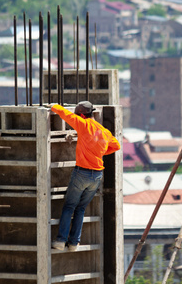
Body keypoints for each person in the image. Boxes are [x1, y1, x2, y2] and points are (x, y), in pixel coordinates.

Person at [50, 101, 121, 251]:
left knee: (69, 206)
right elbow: (116, 145)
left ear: (82, 115)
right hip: (96, 176)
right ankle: (74, 243)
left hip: (81, 173)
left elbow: (65, 114)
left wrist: (54, 106)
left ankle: (61, 241)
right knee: (80, 208)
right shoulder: (103, 130)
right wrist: (99, 153)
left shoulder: (83, 125)